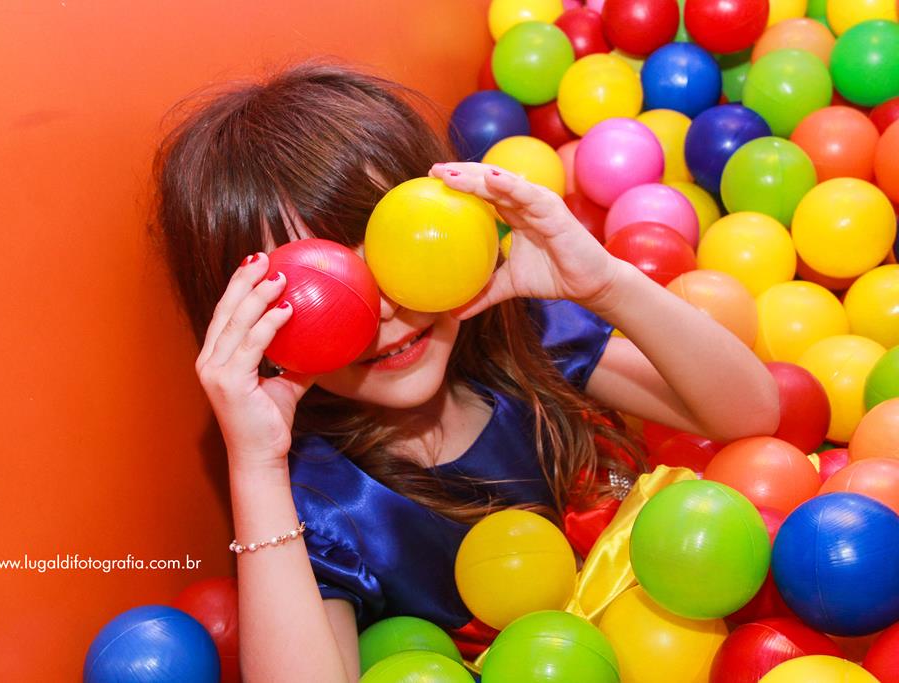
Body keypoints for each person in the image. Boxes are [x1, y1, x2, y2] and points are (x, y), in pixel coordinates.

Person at [150, 59, 780, 682]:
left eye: (401, 248)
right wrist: (256, 466)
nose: (384, 309)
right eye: (323, 290)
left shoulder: (521, 336)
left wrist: (606, 284)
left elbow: (751, 414)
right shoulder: (326, 504)